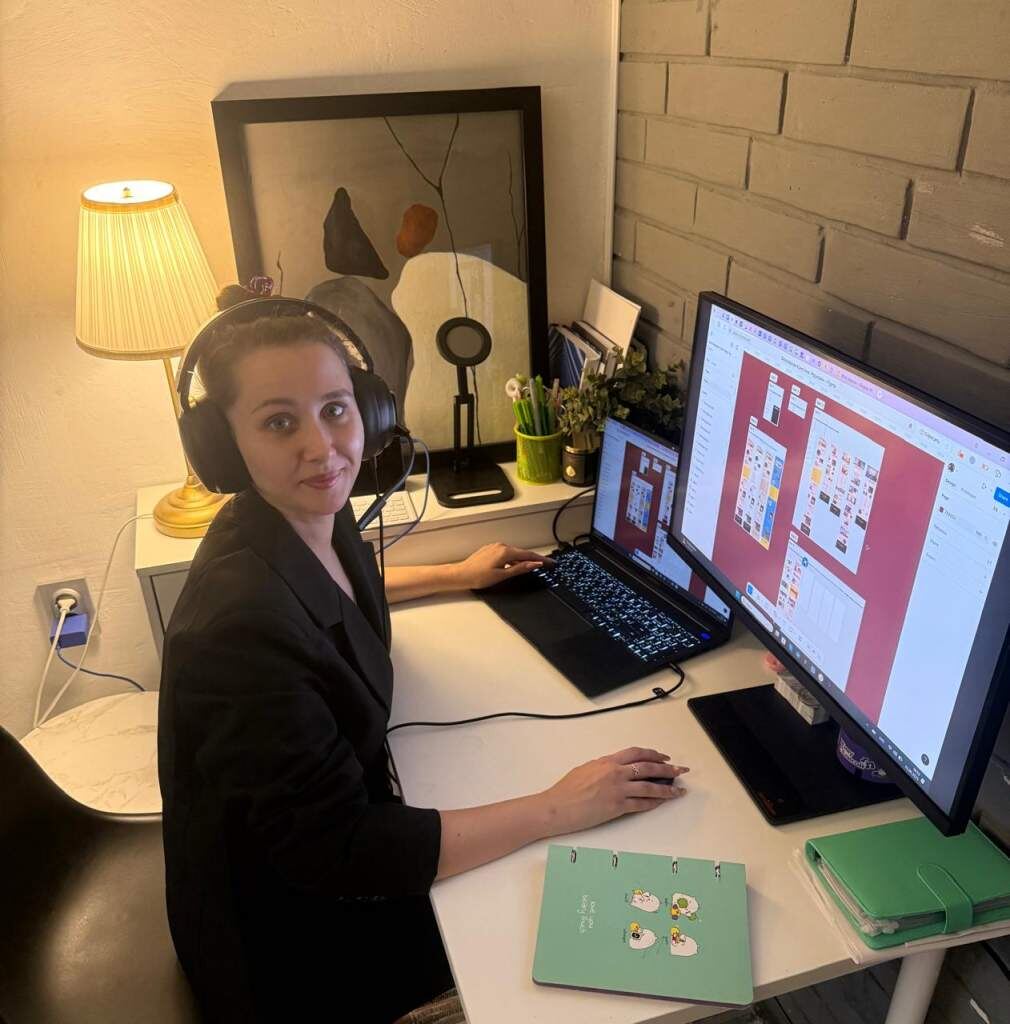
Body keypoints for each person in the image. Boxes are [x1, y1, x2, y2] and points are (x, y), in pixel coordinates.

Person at [158, 302, 690, 1023]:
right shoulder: (239, 632)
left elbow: (336, 592)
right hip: (289, 945)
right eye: (279, 422)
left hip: (313, 864)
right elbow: (341, 852)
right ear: (225, 445)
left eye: (335, 410)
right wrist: (560, 806)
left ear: (368, 411)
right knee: (537, 939)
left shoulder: (300, 516)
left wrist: (455, 574)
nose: (322, 447)